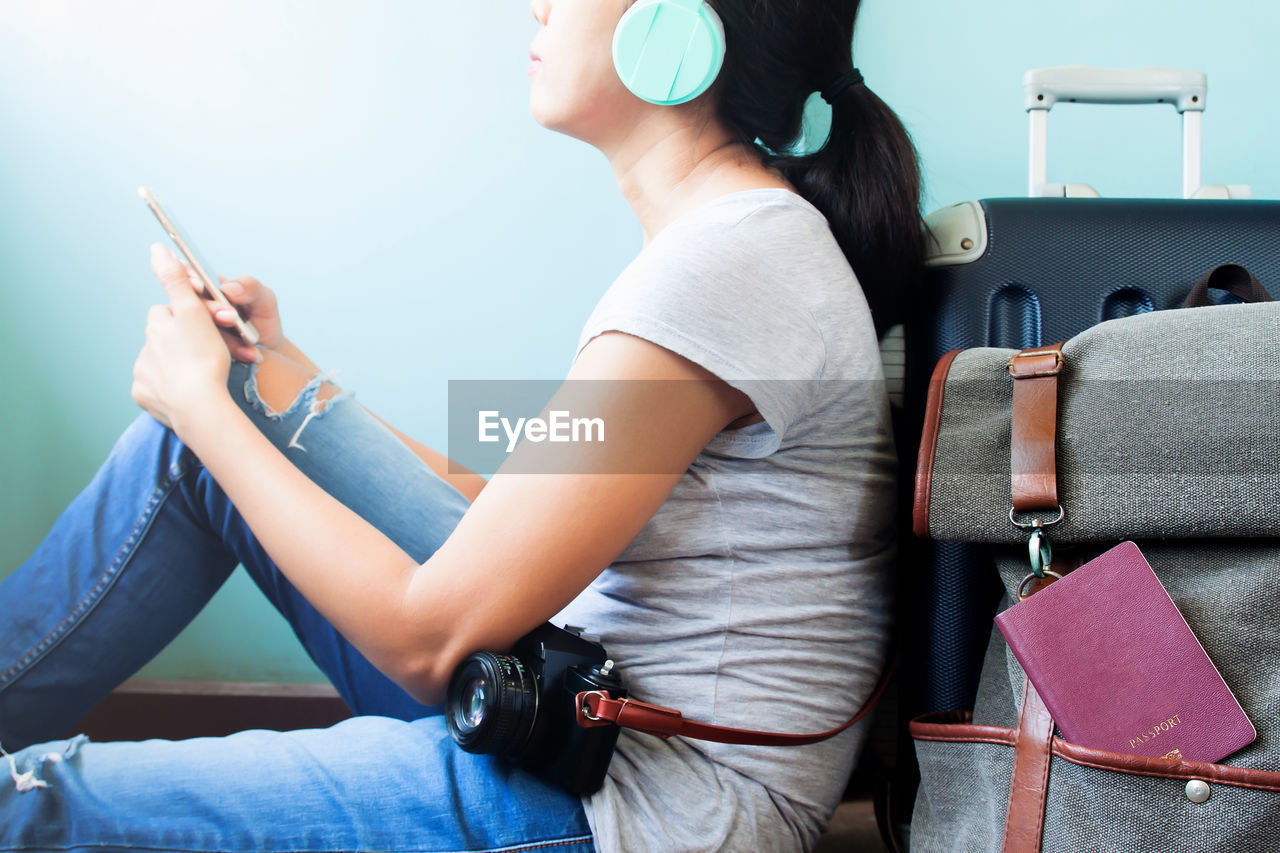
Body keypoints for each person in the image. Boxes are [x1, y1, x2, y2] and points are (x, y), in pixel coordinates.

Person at [0, 0, 922, 850]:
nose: (539, 5)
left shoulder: (726, 263)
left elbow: (428, 639)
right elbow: (498, 505)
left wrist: (201, 406)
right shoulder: (734, 240)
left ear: (675, 30)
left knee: (30, 798)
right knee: (206, 442)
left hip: (641, 801)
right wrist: (271, 373)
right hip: (571, 699)